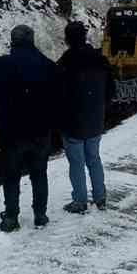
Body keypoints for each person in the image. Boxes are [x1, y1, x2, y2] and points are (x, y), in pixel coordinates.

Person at [0, 23, 59, 232]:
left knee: (11, 175)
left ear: (13, 41)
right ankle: (40, 215)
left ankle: (11, 217)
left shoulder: (3, 63)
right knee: (39, 173)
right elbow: (59, 93)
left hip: (12, 130)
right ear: (32, 40)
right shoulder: (48, 64)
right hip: (41, 130)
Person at [57, 19, 115, 213]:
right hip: (95, 119)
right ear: (85, 36)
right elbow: (111, 90)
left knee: (77, 162)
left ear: (67, 39)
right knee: (94, 158)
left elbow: (57, 93)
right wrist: (99, 107)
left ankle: (80, 201)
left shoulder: (66, 61)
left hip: (73, 121)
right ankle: (100, 197)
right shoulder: (101, 59)